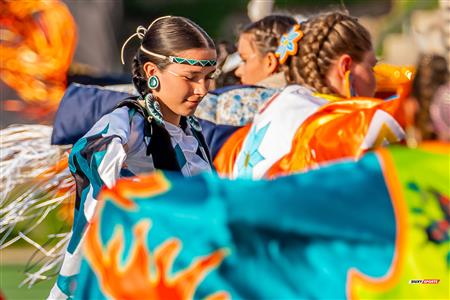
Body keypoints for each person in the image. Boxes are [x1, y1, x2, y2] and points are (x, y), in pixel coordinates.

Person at [48, 15, 217, 299]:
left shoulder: (191, 131)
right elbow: (89, 158)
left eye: (208, 77)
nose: (203, 89)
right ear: (152, 70)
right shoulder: (127, 125)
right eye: (191, 78)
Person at [215, 12, 405, 179]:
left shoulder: (280, 104)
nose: (376, 77)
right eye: (371, 67)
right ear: (345, 67)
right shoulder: (325, 120)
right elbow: (404, 114)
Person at [195, 14, 297, 126]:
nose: (238, 71)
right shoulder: (312, 100)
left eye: (244, 60)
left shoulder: (232, 105)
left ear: (269, 62)